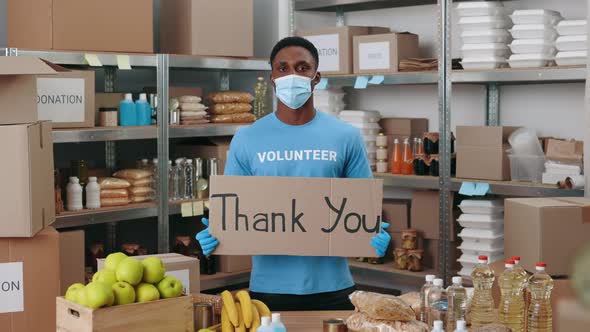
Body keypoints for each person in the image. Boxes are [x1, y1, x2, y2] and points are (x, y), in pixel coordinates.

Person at [196, 36, 391, 310]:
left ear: (317, 78)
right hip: (268, 289)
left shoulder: (345, 136)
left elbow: (364, 206)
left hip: (334, 287)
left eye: (302, 68)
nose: (292, 76)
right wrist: (219, 231)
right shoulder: (247, 139)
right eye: (282, 68)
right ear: (272, 77)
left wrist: (372, 231)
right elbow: (233, 208)